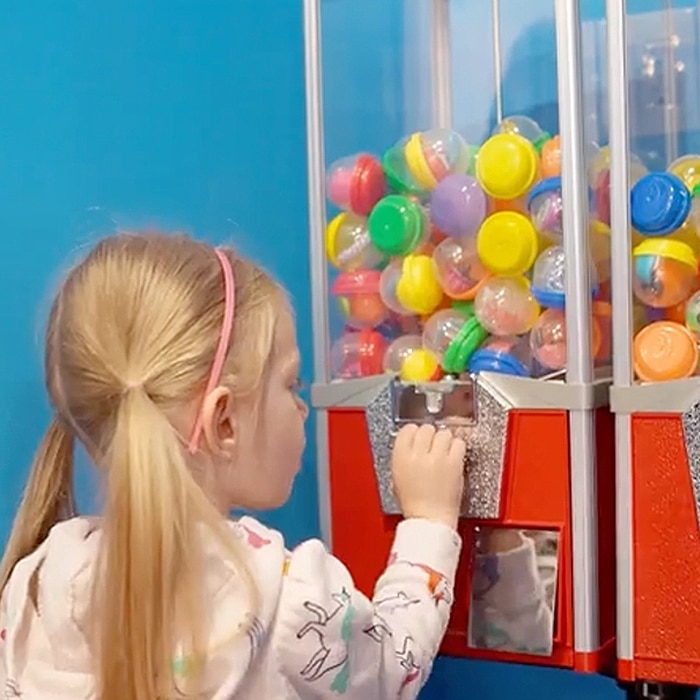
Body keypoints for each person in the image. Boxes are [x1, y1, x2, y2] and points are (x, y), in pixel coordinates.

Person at [0, 232, 467, 699]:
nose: (303, 407)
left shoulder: (32, 589)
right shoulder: (283, 597)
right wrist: (429, 522)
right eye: (292, 383)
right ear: (223, 422)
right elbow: (390, 671)